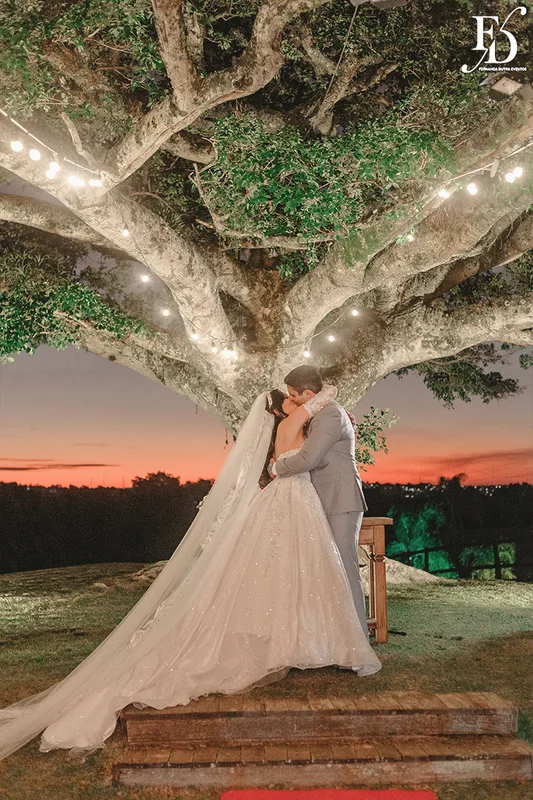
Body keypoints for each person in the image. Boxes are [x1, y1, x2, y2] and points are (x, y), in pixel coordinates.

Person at [0, 385, 380, 762]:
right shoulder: (300, 416)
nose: (296, 400)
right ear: (284, 406)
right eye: (291, 397)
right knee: (306, 570)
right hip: (295, 497)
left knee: (282, 571)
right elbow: (312, 419)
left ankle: (297, 638)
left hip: (288, 498)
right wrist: (327, 393)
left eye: (297, 395)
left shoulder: (286, 424)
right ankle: (312, 640)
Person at [270, 365, 369, 639]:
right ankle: (335, 639)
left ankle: (358, 641)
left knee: (345, 569)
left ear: (309, 393)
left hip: (340, 501)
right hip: (322, 501)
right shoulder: (321, 412)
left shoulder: (329, 415)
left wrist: (276, 468)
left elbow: (308, 460)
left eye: (294, 395)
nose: (292, 400)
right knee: (328, 571)